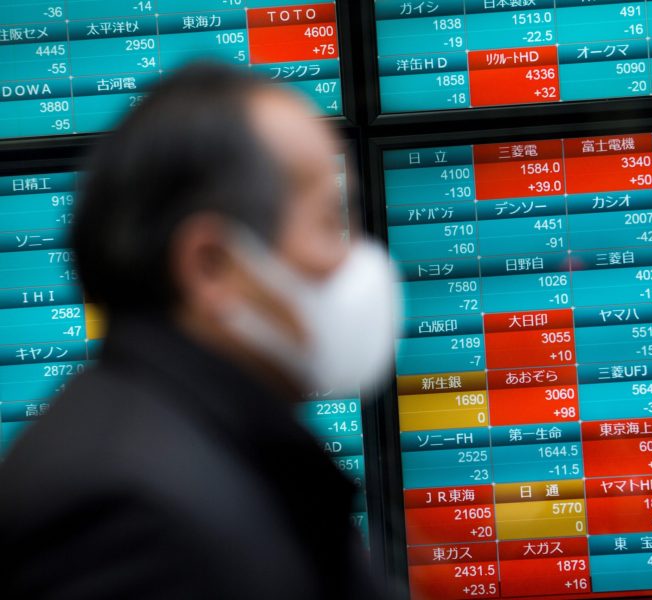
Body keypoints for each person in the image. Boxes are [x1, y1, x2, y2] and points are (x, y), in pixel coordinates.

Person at [0, 63, 397, 599]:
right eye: (330, 222)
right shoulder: (127, 517)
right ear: (211, 266)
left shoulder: (226, 456)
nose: (358, 262)